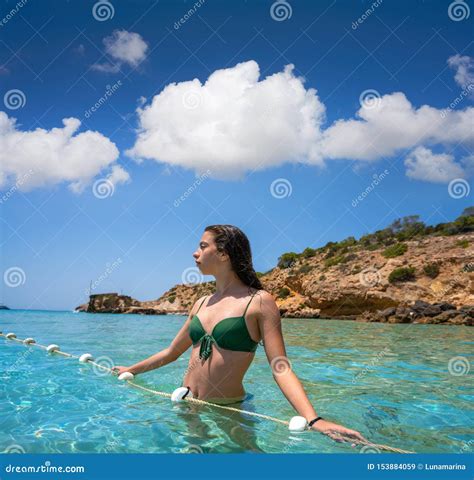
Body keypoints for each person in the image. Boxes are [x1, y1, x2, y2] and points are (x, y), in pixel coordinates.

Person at [113, 224, 366, 443]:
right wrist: (131, 369)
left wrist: (314, 419)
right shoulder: (200, 303)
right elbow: (171, 352)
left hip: (228, 410)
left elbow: (280, 367)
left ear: (223, 254)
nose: (195, 252)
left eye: (202, 246)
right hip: (187, 404)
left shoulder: (259, 301)